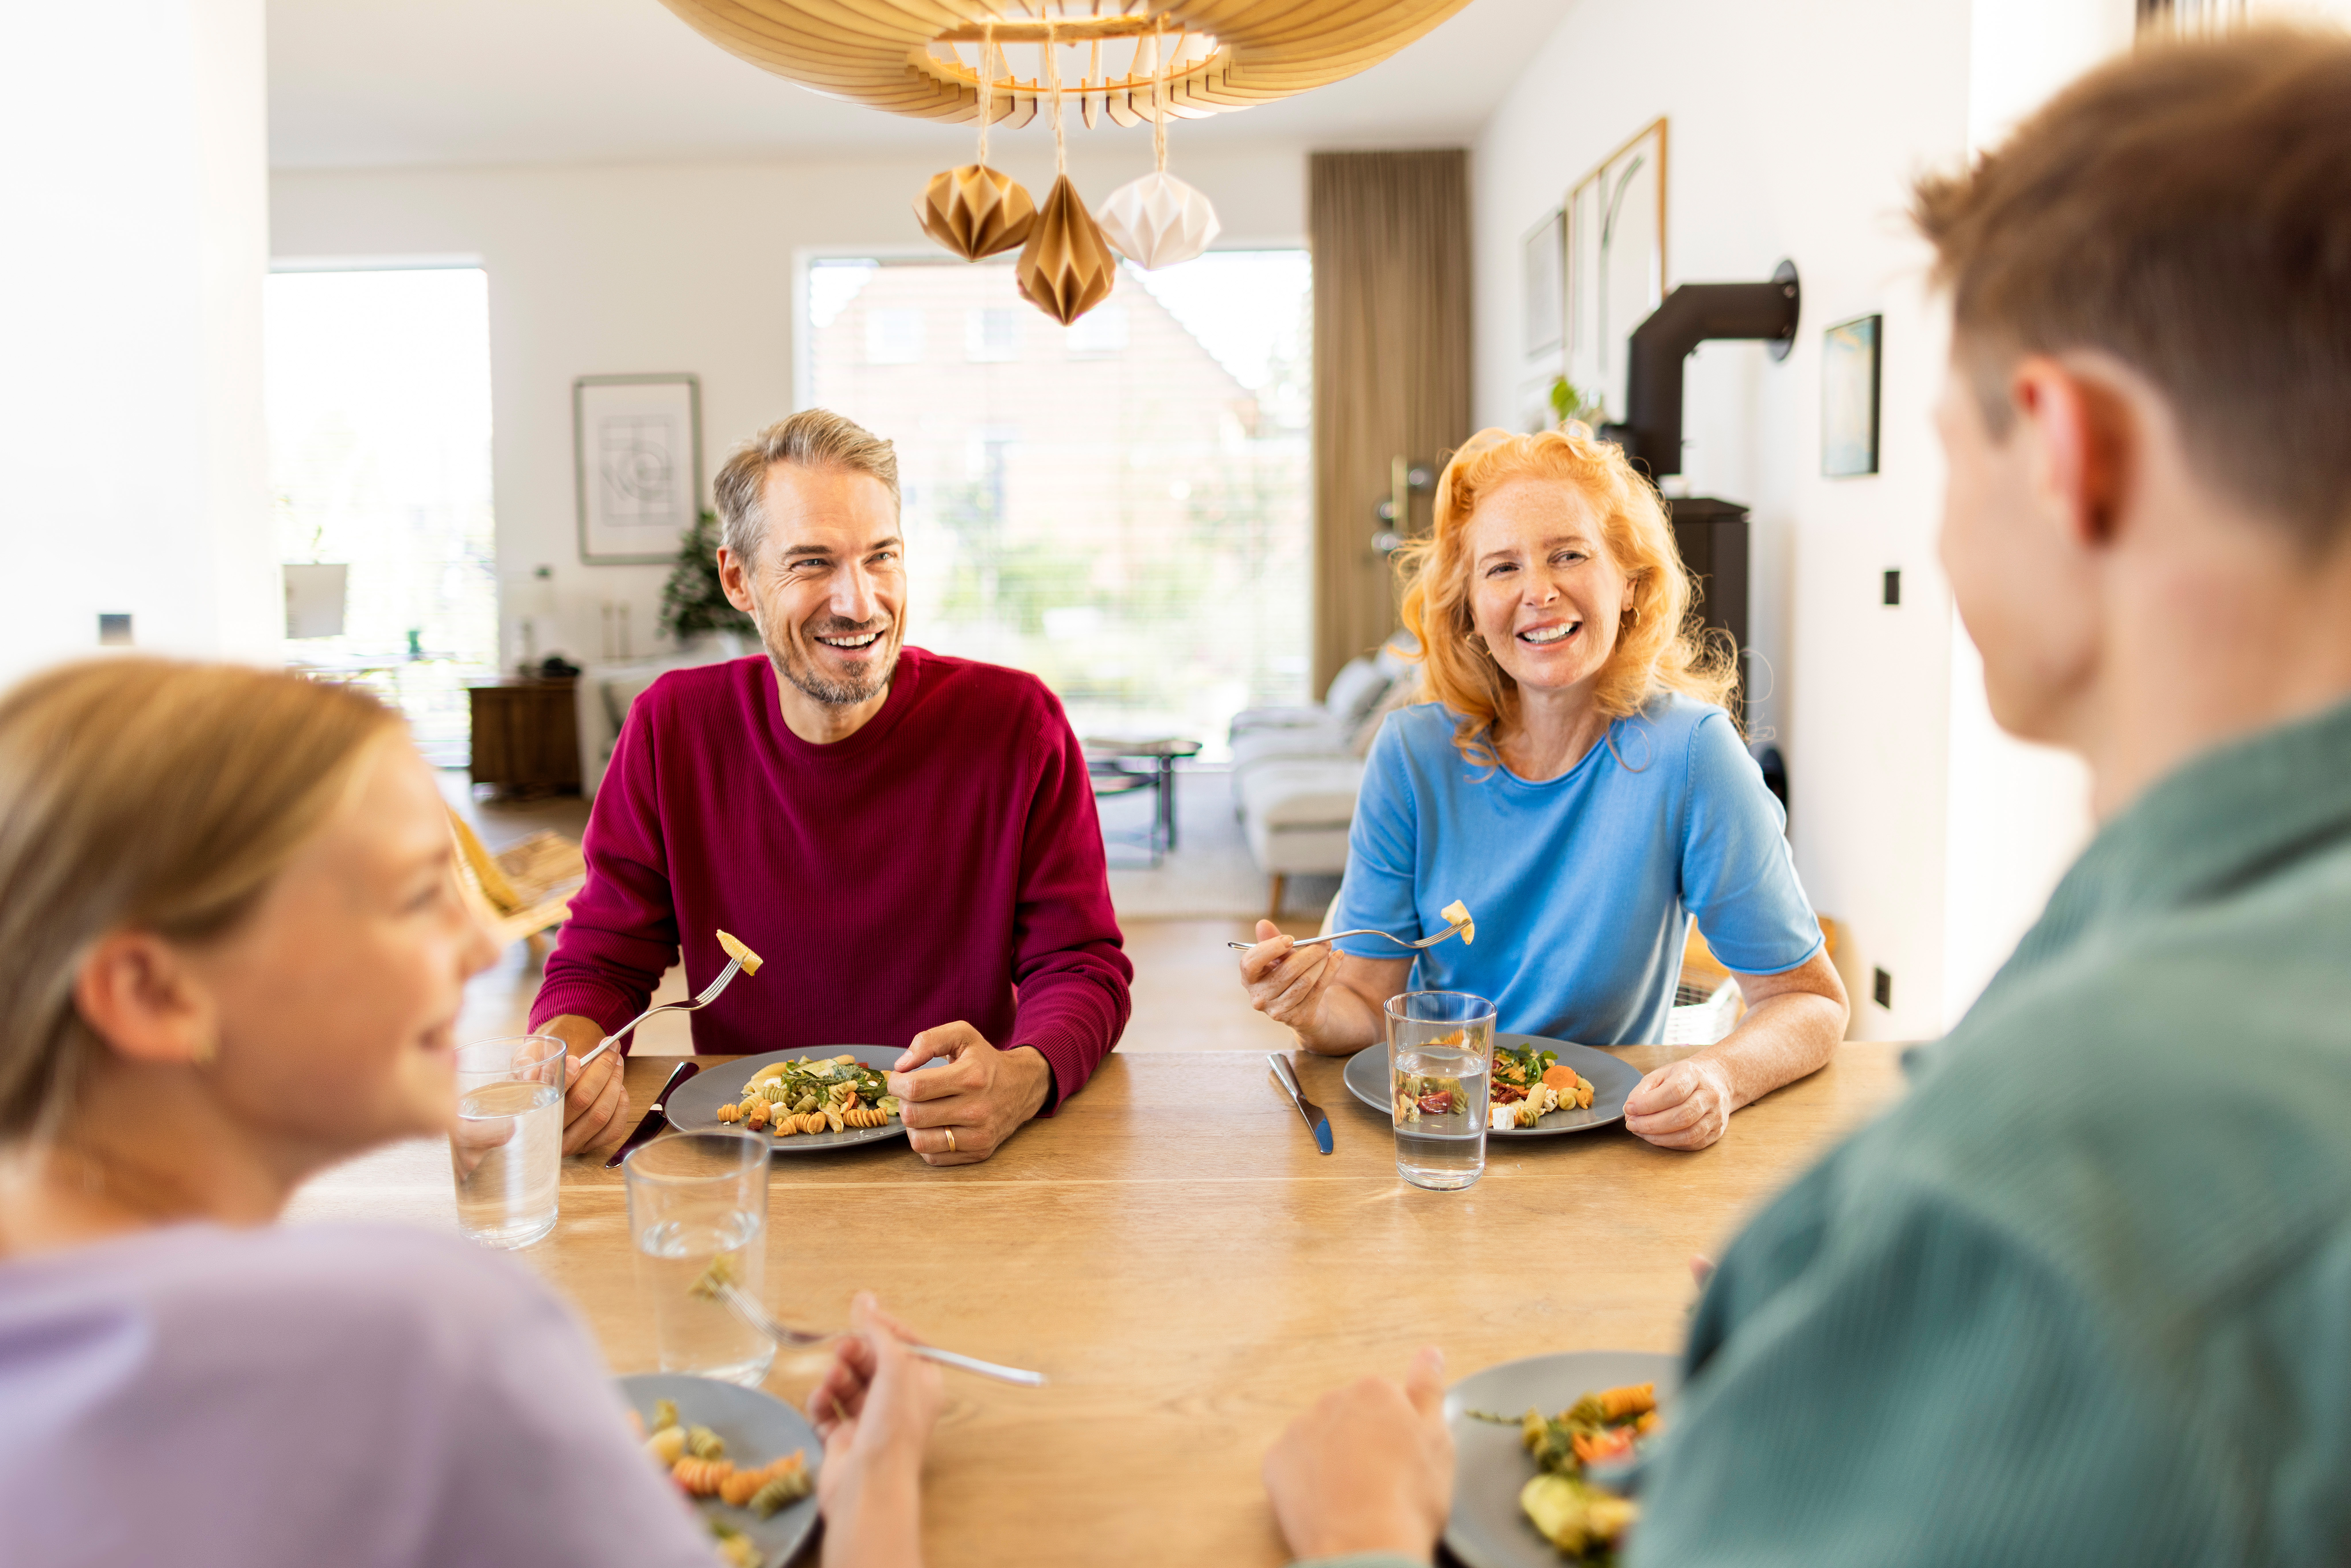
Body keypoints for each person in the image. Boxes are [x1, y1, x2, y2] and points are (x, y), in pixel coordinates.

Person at [1262, 26, 2351, 1565]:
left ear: (2060, 450)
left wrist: (1367, 1529)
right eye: (1499, 567)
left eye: (1944, 439)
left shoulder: (2053, 1159)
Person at [0, 658, 935, 1567]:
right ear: (154, 993)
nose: (484, 944)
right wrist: (881, 1474)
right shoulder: (431, 1335)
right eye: (414, 896)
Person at [535, 408, 1132, 1165]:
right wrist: (565, 1056)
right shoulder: (672, 729)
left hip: (954, 1156)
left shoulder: (1016, 723)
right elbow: (602, 960)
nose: (858, 602)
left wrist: (1026, 1073)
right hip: (745, 1157)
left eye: (881, 557)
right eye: (812, 563)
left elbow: (1080, 965)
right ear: (739, 580)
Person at [1237, 427, 1847, 1149]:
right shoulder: (1412, 756)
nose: (1538, 590)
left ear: (1629, 581)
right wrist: (1308, 1007)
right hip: (1442, 1134)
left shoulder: (1691, 754)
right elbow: (1367, 1009)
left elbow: (1807, 1001)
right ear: (1469, 607)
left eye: (1569, 554)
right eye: (1502, 568)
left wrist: (1718, 1076)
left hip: (1613, 1148)